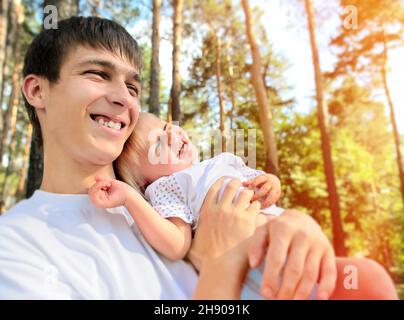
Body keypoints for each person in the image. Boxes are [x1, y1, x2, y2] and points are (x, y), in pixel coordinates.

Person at [0, 16, 397, 300]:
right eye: (98, 74)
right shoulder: (18, 246)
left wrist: (295, 225)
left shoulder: (157, 202)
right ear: (37, 91)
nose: (123, 97)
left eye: (133, 87)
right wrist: (227, 258)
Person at [89, 112, 296, 299]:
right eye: (159, 145)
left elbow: (262, 183)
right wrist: (129, 198)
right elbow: (176, 245)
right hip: (252, 265)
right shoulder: (169, 186)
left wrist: (272, 184)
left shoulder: (222, 161)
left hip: (286, 236)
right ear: (146, 182)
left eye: (166, 127)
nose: (172, 135)